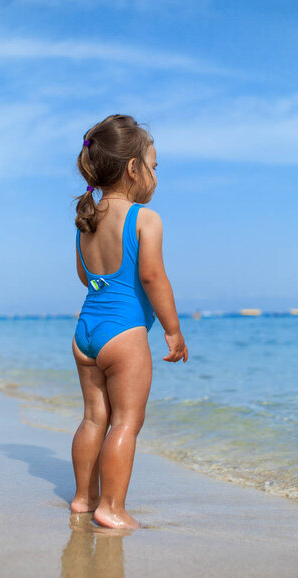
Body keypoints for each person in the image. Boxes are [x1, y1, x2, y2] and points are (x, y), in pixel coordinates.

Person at [71, 114, 188, 529]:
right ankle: (112, 508)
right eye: (153, 167)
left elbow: (87, 277)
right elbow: (153, 276)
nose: (156, 176)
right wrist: (173, 330)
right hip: (124, 334)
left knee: (93, 418)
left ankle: (84, 498)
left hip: (85, 333)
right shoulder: (144, 218)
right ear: (133, 168)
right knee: (126, 422)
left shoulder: (87, 219)